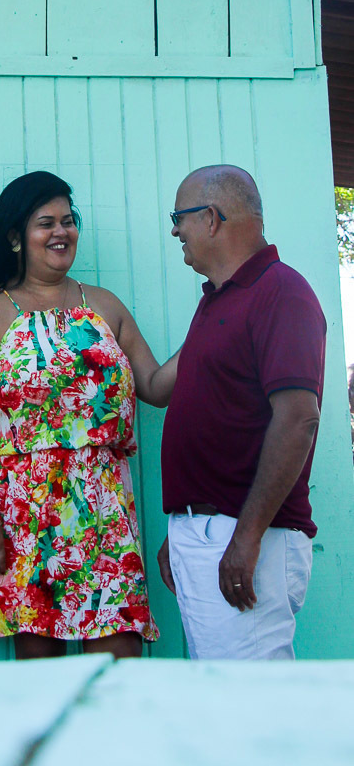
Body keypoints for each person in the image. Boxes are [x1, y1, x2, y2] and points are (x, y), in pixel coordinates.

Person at [0, 171, 177, 659]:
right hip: (24, 515)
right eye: (45, 222)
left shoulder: (104, 306)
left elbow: (155, 387)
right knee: (41, 678)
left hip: (105, 511)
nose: (61, 232)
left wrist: (210, 324)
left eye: (68, 221)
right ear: (14, 237)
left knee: (118, 670)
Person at [158, 165, 326, 660]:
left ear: (210, 218)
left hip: (247, 533)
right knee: (221, 703)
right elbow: (169, 393)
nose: (175, 231)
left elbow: (298, 418)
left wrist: (244, 538)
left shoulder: (281, 292)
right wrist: (187, 525)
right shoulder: (216, 301)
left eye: (179, 217)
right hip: (211, 531)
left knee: (251, 709)